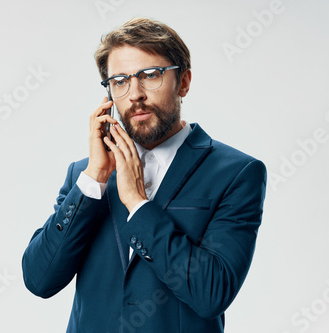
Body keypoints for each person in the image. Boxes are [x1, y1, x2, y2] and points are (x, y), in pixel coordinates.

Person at [22, 17, 267, 333]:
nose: (134, 93)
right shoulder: (84, 176)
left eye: (150, 75)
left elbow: (211, 294)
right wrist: (94, 178)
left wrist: (138, 204)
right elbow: (40, 280)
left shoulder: (237, 173)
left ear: (184, 82)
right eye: (120, 80)